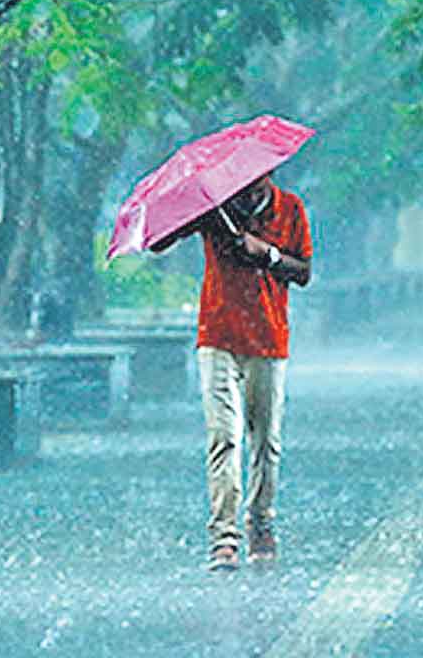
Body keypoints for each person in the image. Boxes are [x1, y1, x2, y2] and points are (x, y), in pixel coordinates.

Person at [158, 171, 312, 571]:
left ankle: (261, 523)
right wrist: (191, 211)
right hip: (218, 335)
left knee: (266, 441)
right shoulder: (215, 210)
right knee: (224, 436)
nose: (247, 189)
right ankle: (223, 536)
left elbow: (304, 272)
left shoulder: (290, 209)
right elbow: (159, 243)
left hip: (268, 337)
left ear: (270, 175)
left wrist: (269, 254)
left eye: (255, 183)